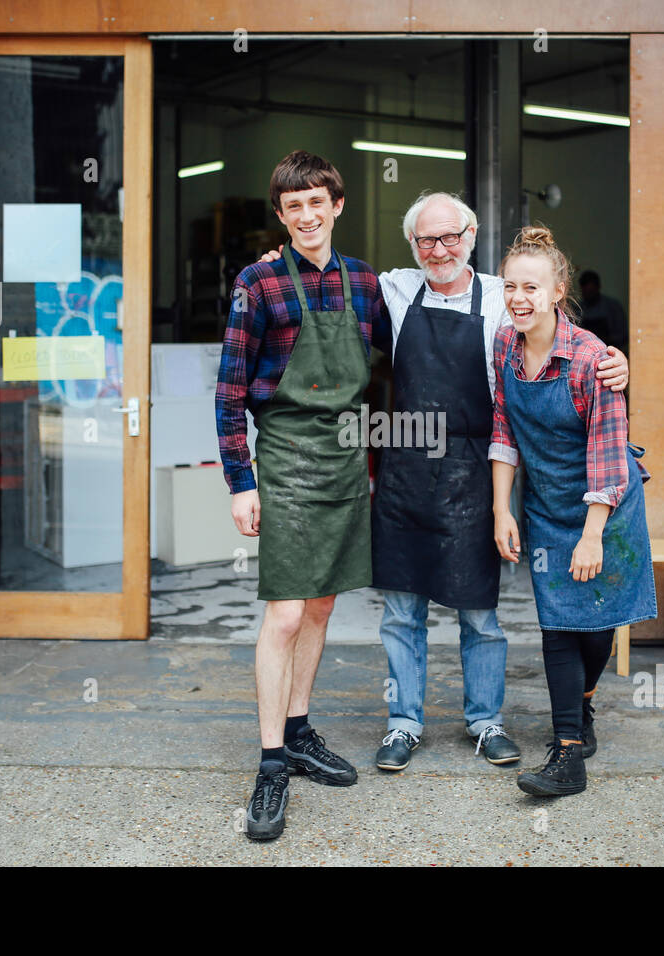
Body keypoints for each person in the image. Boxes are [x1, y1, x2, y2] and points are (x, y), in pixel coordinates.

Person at [260, 192, 629, 772]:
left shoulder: (503, 299)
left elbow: (555, 334)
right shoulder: (395, 288)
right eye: (426, 240)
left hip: (475, 473)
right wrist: (283, 261)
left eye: (450, 236)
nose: (440, 250)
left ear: (472, 233)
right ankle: (403, 723)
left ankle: (486, 721)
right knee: (401, 611)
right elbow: (329, 278)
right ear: (412, 246)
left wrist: (613, 360)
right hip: (405, 469)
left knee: (479, 612)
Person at [215, 150, 390, 841]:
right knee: (285, 613)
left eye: (318, 202)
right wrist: (240, 480)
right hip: (284, 458)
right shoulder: (256, 284)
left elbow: (417, 343)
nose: (308, 215)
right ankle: (268, 764)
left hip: (347, 460)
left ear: (337, 205)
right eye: (294, 208)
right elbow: (230, 389)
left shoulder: (366, 283)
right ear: (282, 216)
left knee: (321, 605)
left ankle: (298, 729)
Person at [489, 225, 656, 797]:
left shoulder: (591, 361)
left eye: (531, 287)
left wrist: (592, 535)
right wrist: (501, 509)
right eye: (511, 286)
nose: (519, 298)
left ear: (558, 290)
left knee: (597, 622)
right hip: (545, 505)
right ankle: (567, 754)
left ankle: (583, 704)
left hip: (608, 505)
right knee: (558, 622)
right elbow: (504, 428)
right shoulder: (503, 348)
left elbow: (609, 456)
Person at [577, 270, 629, 357]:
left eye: (591, 292)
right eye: (586, 292)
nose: (589, 296)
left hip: (611, 354)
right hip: (585, 355)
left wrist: (605, 340)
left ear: (598, 288)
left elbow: (624, 336)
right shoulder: (578, 308)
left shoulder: (613, 307)